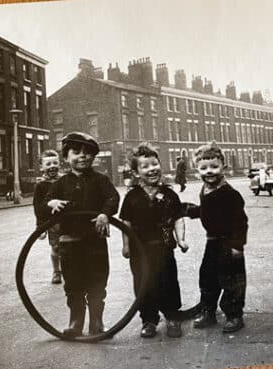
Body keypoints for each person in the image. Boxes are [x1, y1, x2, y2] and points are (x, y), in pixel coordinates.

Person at [45, 132, 120, 337]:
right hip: (70, 243)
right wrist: (51, 203)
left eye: (87, 153)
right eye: (76, 152)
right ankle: (76, 321)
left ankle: (96, 322)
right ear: (66, 157)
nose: (82, 156)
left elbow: (113, 198)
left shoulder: (100, 180)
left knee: (97, 283)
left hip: (95, 242)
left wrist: (105, 213)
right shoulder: (60, 183)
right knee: (73, 284)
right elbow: (46, 202)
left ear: (93, 157)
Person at [120, 144, 189, 338]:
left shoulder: (169, 194)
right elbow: (126, 222)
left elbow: (178, 218)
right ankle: (148, 319)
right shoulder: (132, 197)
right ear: (136, 172)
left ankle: (172, 317)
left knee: (168, 284)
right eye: (145, 166)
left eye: (154, 164)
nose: (152, 169)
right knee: (143, 285)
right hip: (140, 251)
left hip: (164, 249)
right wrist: (126, 245)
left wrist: (181, 240)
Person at [186, 142, 248, 333]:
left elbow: (240, 221)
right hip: (212, 241)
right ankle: (208, 311)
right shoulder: (205, 190)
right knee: (207, 277)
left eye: (214, 166)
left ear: (223, 167)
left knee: (231, 281)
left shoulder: (230, 194)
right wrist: (192, 211)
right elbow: (208, 211)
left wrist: (237, 245)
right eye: (203, 168)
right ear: (197, 170)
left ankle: (234, 314)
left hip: (229, 242)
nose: (209, 171)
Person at [33, 150, 62, 284]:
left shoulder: (64, 180)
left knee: (69, 246)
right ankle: (56, 271)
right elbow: (38, 208)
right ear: (42, 167)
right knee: (55, 247)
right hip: (52, 222)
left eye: (55, 163)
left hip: (67, 220)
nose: (52, 166)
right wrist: (40, 226)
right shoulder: (41, 186)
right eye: (48, 164)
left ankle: (69, 271)